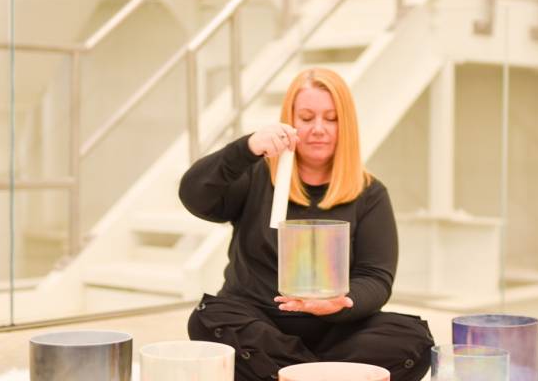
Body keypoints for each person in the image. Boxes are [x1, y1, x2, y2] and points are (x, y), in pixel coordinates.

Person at [179, 68, 434, 381]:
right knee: (209, 319)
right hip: (256, 322)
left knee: (412, 338)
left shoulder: (370, 194)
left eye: (331, 118)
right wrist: (245, 149)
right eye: (307, 117)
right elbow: (194, 194)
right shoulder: (255, 176)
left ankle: (283, 373)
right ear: (291, 122)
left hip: (335, 331)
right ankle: (326, 374)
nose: (318, 129)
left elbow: (376, 277)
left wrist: (343, 302)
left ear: (346, 126)